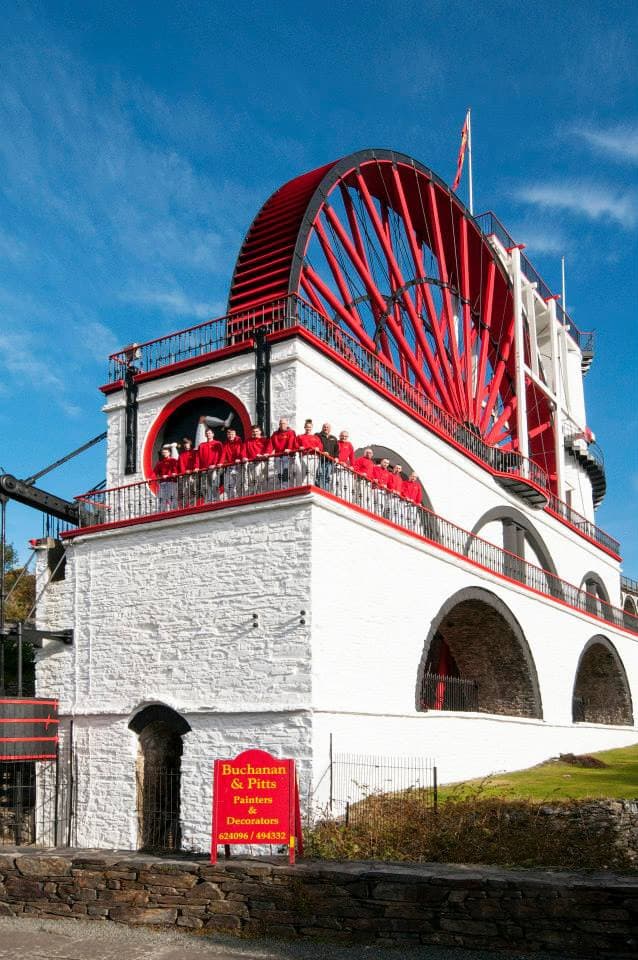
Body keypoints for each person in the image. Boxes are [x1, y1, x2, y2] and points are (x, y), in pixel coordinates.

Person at [242, 424, 273, 493]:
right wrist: (244, 457)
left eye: (256, 431)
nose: (255, 433)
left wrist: (264, 454)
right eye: (253, 431)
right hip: (252, 463)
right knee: (252, 480)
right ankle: (254, 493)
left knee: (260, 479)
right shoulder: (248, 441)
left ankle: (259, 493)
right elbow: (243, 451)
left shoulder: (264, 440)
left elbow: (269, 448)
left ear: (260, 432)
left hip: (262, 462)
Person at [270, 417, 297, 488]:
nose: (282, 425)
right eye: (281, 423)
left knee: (286, 469)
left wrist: (289, 448)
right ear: (279, 424)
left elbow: (291, 441)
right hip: (278, 455)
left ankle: (285, 485)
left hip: (287, 455)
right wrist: (267, 452)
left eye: (284, 423)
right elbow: (270, 444)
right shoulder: (275, 434)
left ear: (287, 424)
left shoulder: (291, 432)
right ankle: (282, 484)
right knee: (279, 471)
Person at [197, 427, 224, 501]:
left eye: (209, 433)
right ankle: (207, 500)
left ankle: (216, 499)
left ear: (213, 434)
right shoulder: (202, 445)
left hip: (215, 468)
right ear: (205, 435)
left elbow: (222, 454)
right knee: (204, 486)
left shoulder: (218, 443)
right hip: (204, 469)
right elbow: (198, 457)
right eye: (207, 433)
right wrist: (197, 467)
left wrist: (219, 464)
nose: (208, 435)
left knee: (214, 483)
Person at [153, 443, 179, 511]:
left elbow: (175, 471)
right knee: (162, 497)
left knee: (172, 497)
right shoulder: (160, 463)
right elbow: (154, 472)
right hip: (162, 483)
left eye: (165, 452)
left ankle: (174, 510)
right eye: (163, 452)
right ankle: (162, 511)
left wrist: (168, 475)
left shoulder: (173, 461)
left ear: (169, 453)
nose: (164, 454)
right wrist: (150, 478)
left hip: (171, 481)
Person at [296, 419, 322, 485]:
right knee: (306, 471)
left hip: (314, 456)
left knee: (313, 471)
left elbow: (320, 446)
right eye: (307, 427)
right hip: (305, 455)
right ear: (304, 427)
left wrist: (318, 448)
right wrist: (299, 447)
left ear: (312, 427)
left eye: (310, 427)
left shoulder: (316, 437)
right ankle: (304, 485)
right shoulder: (300, 436)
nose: (308, 428)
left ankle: (311, 484)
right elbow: (295, 444)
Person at [221, 427, 244, 500]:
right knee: (228, 485)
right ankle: (231, 499)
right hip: (229, 465)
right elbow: (223, 454)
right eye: (229, 434)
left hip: (238, 465)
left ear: (235, 434)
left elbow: (241, 450)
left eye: (232, 434)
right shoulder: (226, 444)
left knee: (238, 484)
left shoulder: (238, 441)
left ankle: (240, 498)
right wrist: (221, 463)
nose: (230, 436)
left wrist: (239, 458)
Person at [315, 422, 339, 491]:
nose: (326, 428)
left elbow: (336, 450)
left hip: (329, 461)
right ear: (322, 428)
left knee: (327, 476)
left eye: (327, 427)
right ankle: (320, 489)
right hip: (320, 459)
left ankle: (326, 491)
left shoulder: (333, 438)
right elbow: (316, 445)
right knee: (320, 474)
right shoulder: (318, 435)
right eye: (324, 427)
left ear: (330, 429)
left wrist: (336, 457)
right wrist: (322, 452)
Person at [177, 437, 198, 508]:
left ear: (190, 444)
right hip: (185, 475)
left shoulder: (194, 453)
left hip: (193, 474)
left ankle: (192, 505)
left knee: (193, 490)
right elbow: (181, 465)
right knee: (185, 490)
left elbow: (196, 462)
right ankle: (185, 505)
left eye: (187, 444)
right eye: (185, 444)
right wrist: (184, 472)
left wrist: (193, 470)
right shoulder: (181, 455)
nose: (186, 445)